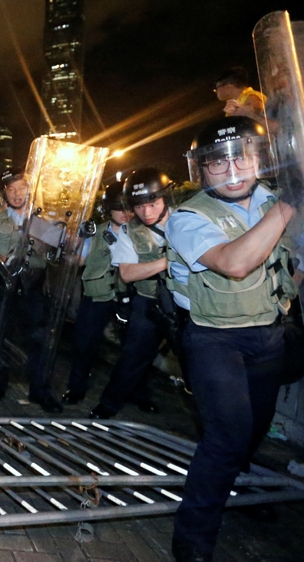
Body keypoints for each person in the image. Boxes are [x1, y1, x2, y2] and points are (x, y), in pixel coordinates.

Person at [167, 116, 297, 562]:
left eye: (241, 156)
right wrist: (289, 205)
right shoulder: (187, 217)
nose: (233, 169)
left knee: (252, 432)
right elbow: (235, 263)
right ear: (201, 171)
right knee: (225, 437)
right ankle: (192, 540)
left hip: (269, 333)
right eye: (217, 163)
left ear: (259, 158)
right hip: (214, 339)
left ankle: (235, 493)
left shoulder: (273, 199)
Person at [89, 168, 173, 419]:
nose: (146, 213)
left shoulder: (186, 220)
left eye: (153, 204)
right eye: (138, 206)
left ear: (165, 199)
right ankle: (109, 405)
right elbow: (127, 273)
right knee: (133, 356)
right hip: (148, 301)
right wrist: (169, 262)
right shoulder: (128, 232)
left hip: (186, 303)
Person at [0, 168, 63, 413]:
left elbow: (61, 249)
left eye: (21, 188)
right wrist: (4, 259)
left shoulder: (40, 222)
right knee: (1, 338)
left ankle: (40, 391)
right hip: (6, 289)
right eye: (11, 189)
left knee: (39, 343)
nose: (16, 194)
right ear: (5, 193)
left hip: (35, 289)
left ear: (30, 189)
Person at [62, 182, 133, 404]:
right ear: (108, 208)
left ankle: (137, 392)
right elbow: (79, 260)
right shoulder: (95, 232)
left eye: (129, 207)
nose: (125, 213)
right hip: (96, 295)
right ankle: (76, 388)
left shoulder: (140, 233)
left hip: (129, 296)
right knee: (84, 345)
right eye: (118, 207)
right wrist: (68, 244)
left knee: (135, 348)